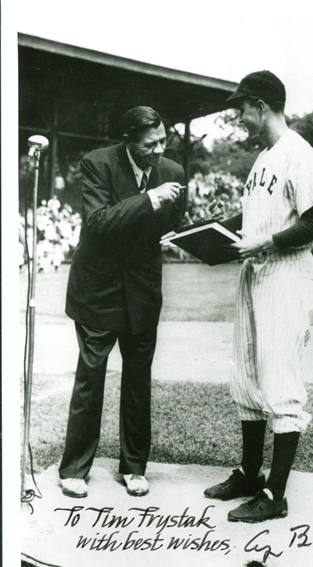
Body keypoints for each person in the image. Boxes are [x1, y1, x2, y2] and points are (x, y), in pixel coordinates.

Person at [203, 70, 313, 523]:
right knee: (248, 375)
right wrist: (220, 226)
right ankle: (250, 473)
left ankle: (275, 495)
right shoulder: (262, 159)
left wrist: (265, 242)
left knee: (279, 381)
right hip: (255, 271)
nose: (239, 116)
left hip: (285, 273)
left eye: (242, 108)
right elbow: (257, 216)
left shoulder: (300, 154)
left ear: (261, 105)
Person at [59, 106, 187, 498]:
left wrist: (196, 227)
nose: (159, 150)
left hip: (143, 290)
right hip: (99, 290)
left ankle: (134, 466)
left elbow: (173, 225)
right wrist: (149, 198)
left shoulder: (173, 172)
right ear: (129, 141)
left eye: (163, 141)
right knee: (91, 376)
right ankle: (75, 469)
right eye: (150, 144)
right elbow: (98, 222)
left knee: (138, 380)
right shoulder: (98, 163)